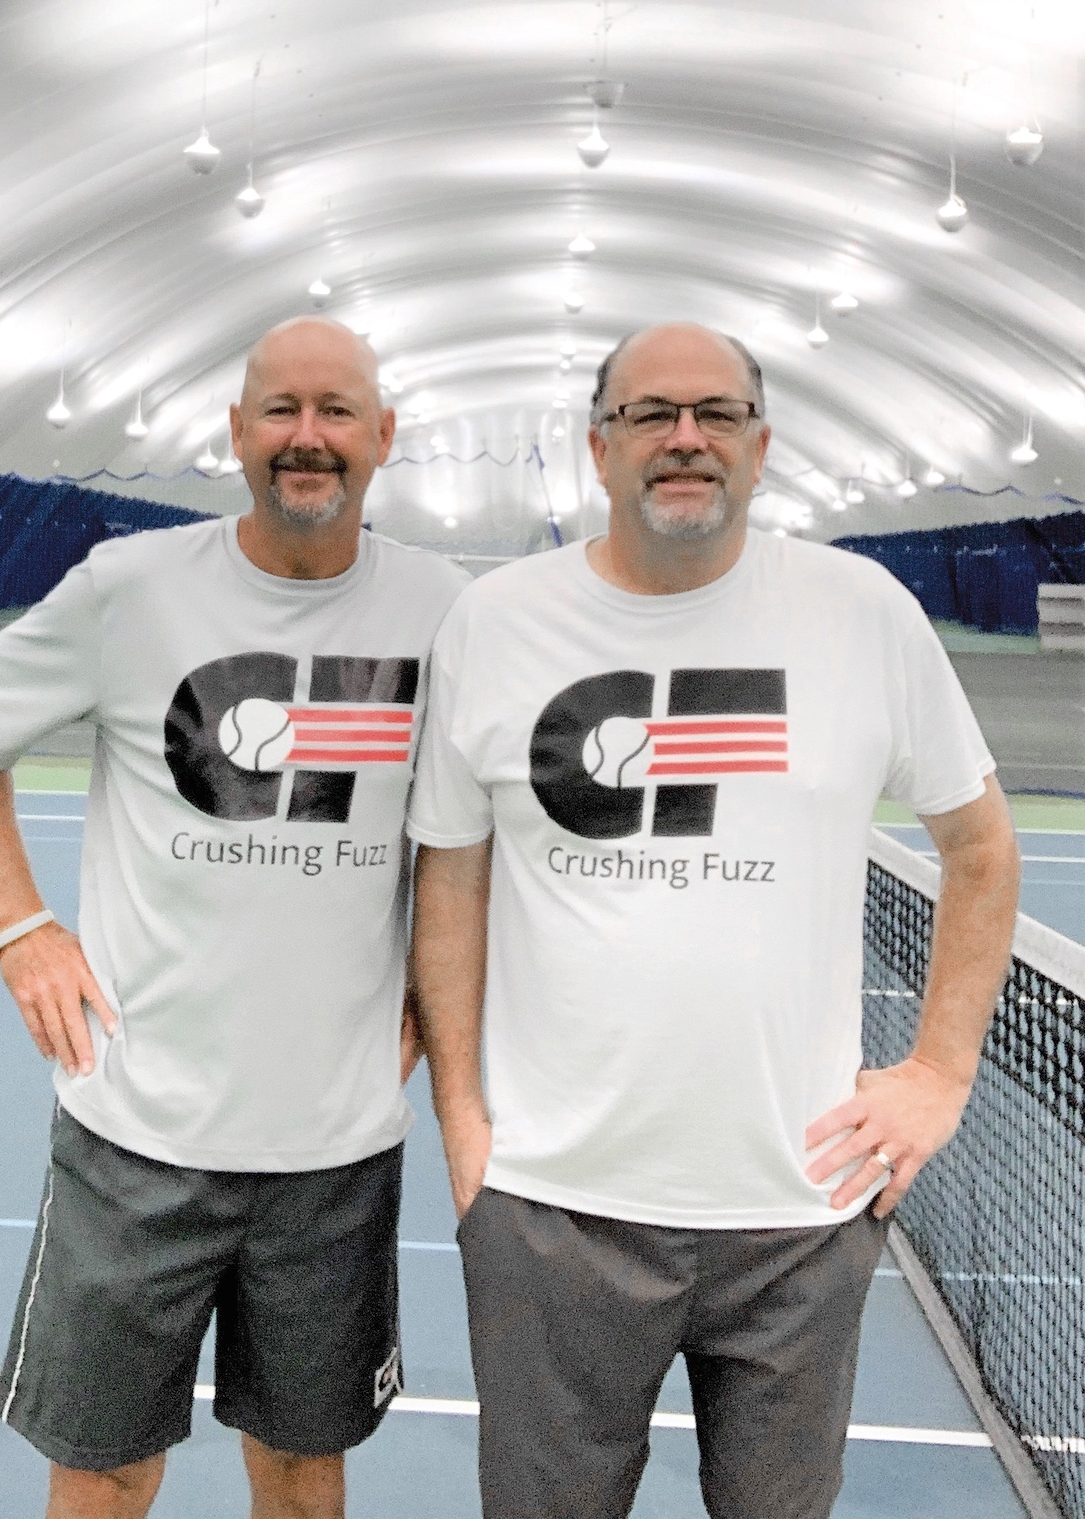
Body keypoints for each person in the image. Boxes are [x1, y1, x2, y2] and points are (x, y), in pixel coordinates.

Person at [407, 322, 1020, 1519]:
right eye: (649, 414)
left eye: (716, 414)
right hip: (553, 1211)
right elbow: (453, 882)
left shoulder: (864, 612)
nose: (684, 438)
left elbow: (983, 848)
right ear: (599, 447)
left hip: (798, 1220)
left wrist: (940, 1074)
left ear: (761, 443)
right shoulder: (496, 622)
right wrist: (465, 1121)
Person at [0, 317, 466, 1519]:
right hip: (134, 1137)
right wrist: (24, 926)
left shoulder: (445, 610)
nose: (306, 436)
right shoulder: (131, 588)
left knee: (301, 1472)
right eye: (280, 409)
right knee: (107, 1471)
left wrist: (434, 994)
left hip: (333, 1152)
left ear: (385, 436)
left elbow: (466, 833)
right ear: (236, 433)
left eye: (335, 410)